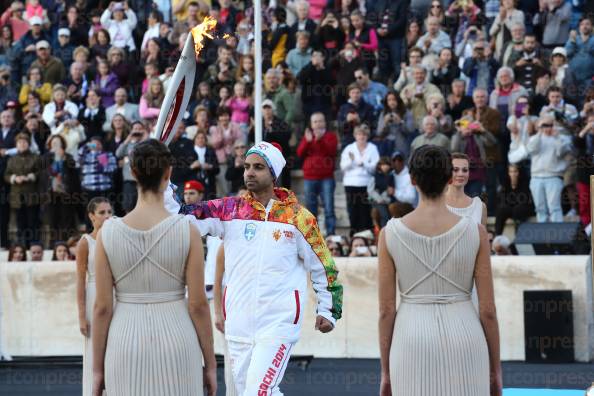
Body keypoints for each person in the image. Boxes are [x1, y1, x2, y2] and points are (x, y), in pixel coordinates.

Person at [168, 141, 342, 396]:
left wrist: (329, 308)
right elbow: (182, 216)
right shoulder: (230, 209)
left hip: (278, 323)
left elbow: (324, 265)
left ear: (273, 174)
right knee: (247, 392)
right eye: (247, 166)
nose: (249, 172)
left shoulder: (298, 217)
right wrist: (162, 184)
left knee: (258, 392)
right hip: (238, 323)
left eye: (258, 167)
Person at [92, 140, 217, 396]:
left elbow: (102, 308)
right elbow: (198, 304)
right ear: (169, 173)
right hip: (178, 339)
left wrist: (96, 369)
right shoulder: (188, 230)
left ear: (133, 172)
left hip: (125, 340)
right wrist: (211, 365)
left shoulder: (108, 233)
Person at [378, 145, 502, 396]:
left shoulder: (389, 233)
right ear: (448, 178)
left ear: (412, 179)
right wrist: (495, 370)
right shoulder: (476, 232)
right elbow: (488, 310)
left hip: (410, 339)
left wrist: (386, 371)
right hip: (467, 337)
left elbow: (386, 311)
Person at [77, 197, 112, 396]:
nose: (107, 216)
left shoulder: (116, 239)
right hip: (93, 298)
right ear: (91, 216)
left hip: (115, 298)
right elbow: (80, 282)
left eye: (109, 212)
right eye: (102, 212)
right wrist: (82, 316)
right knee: (94, 349)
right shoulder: (85, 243)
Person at [297, 112, 338, 236]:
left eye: (320, 121)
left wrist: (320, 141)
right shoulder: (308, 136)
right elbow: (299, 153)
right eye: (315, 121)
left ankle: (331, 234)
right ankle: (313, 237)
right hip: (310, 177)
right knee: (311, 209)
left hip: (326, 178)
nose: (318, 123)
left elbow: (332, 152)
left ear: (325, 122)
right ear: (311, 124)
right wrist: (308, 142)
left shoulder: (331, 136)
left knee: (329, 208)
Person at [527, 115, 572, 222]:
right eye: (544, 125)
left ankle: (558, 234)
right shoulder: (534, 138)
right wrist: (539, 132)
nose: (547, 127)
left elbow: (561, 152)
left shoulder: (562, 138)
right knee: (539, 208)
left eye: (550, 125)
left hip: (554, 177)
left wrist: (556, 137)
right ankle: (542, 234)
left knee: (554, 207)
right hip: (536, 177)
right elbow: (531, 149)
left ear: (554, 125)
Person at [340, 124, 379, 233]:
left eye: (364, 135)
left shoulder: (373, 148)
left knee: (365, 211)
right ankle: (355, 235)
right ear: (355, 135)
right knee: (353, 210)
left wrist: (364, 164)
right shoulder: (349, 148)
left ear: (367, 136)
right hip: (351, 184)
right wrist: (352, 161)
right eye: (359, 134)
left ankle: (366, 234)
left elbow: (375, 167)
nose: (361, 137)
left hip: (366, 184)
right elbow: (343, 167)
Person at [4, 132, 41, 246]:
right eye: (20, 142)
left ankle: (34, 245)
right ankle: (22, 246)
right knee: (20, 223)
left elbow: (40, 172)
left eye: (24, 142)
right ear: (16, 145)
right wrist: (14, 178)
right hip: (17, 196)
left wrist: (29, 176)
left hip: (32, 195)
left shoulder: (35, 157)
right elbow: (6, 175)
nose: (22, 144)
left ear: (28, 144)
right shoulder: (11, 159)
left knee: (32, 222)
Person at [495, 164, 534, 235]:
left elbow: (524, 201)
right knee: (501, 210)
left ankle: (519, 236)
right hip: (512, 208)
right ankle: (497, 237)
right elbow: (503, 200)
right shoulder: (506, 183)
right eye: (511, 172)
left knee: (518, 209)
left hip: (524, 208)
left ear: (519, 173)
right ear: (508, 173)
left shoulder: (525, 183)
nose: (513, 174)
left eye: (515, 171)